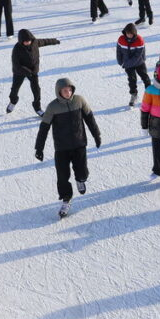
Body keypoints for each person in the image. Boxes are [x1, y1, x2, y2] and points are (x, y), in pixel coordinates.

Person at [34, 78, 102, 218]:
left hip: (79, 144)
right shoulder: (53, 107)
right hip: (62, 148)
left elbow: (90, 118)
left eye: (70, 89)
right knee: (62, 176)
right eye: (65, 90)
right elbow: (44, 128)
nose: (68, 92)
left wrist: (97, 135)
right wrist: (39, 148)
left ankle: (80, 179)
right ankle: (66, 199)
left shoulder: (79, 101)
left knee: (82, 172)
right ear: (59, 91)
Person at [8, 29, 60, 116]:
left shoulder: (35, 42)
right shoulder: (17, 49)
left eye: (29, 41)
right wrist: (27, 71)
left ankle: (37, 107)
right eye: (26, 41)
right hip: (19, 72)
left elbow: (44, 41)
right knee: (14, 89)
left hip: (33, 71)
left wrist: (54, 41)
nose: (28, 43)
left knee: (36, 90)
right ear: (21, 41)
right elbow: (16, 65)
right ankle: (13, 101)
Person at [116, 23, 149, 108]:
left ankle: (150, 95)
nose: (129, 35)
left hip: (139, 62)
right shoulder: (121, 39)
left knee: (145, 78)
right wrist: (120, 62)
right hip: (127, 63)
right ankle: (134, 95)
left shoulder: (139, 40)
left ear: (134, 33)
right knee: (132, 79)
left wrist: (126, 64)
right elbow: (118, 51)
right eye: (127, 33)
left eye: (131, 33)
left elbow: (137, 56)